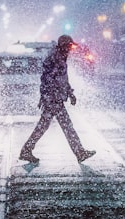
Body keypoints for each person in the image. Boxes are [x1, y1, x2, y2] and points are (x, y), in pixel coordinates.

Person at [19, 35, 95, 164]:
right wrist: (52, 97)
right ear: (64, 46)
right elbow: (49, 80)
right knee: (66, 126)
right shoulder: (55, 58)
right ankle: (79, 152)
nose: (71, 49)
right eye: (69, 46)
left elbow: (63, 80)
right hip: (53, 99)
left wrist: (70, 93)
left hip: (54, 98)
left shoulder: (60, 57)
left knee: (45, 126)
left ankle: (27, 150)